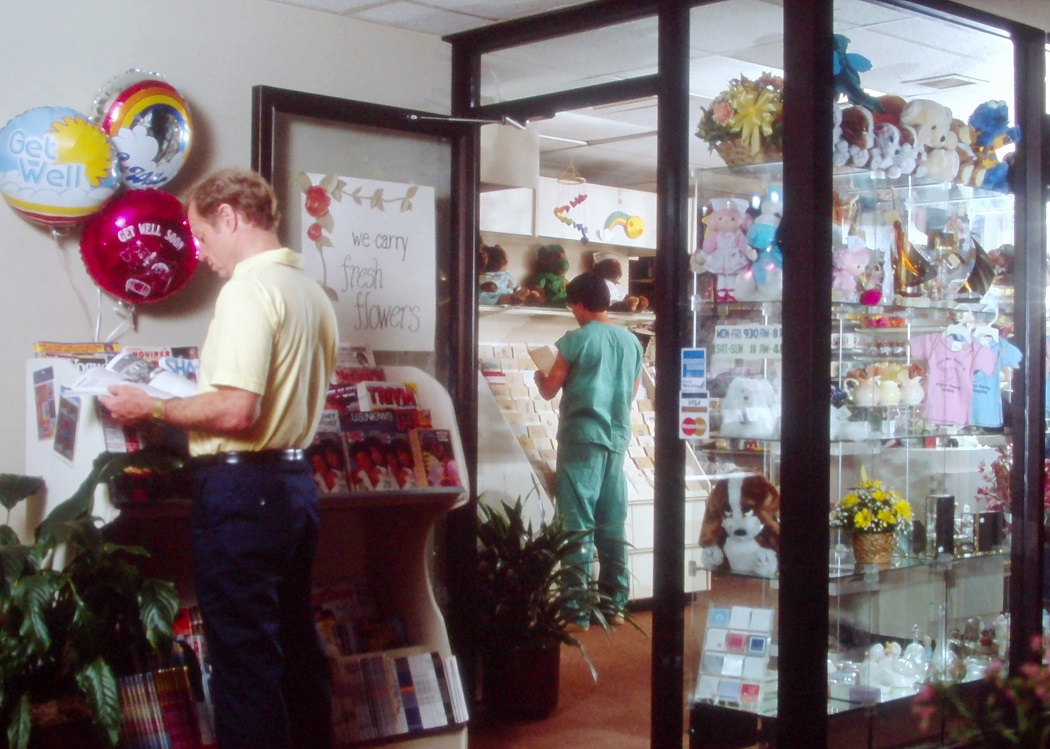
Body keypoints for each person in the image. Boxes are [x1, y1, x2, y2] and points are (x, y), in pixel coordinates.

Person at [100, 167, 338, 749]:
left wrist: (151, 406)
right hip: (293, 485)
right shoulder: (310, 291)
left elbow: (235, 412)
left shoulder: (249, 291)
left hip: (242, 493)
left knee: (243, 662)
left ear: (230, 216)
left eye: (203, 236)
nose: (200, 253)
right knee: (295, 646)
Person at [533, 270, 643, 625]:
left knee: (576, 522)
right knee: (612, 519)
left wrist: (539, 376)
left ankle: (576, 609)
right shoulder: (632, 343)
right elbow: (633, 392)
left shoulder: (575, 339)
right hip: (617, 437)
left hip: (581, 437)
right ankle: (615, 604)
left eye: (572, 306)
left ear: (579, 304)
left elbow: (550, 389)